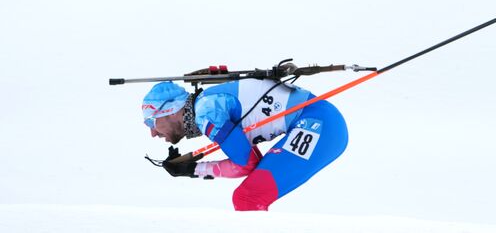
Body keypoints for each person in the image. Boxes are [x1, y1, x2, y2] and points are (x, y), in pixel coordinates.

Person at [141, 79, 348, 211]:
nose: (152, 132)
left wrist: (194, 169)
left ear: (169, 110)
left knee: (248, 198)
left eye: (151, 121)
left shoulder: (207, 113)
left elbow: (245, 164)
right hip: (323, 122)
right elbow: (252, 160)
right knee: (248, 197)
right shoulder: (207, 104)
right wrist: (192, 169)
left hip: (318, 123)